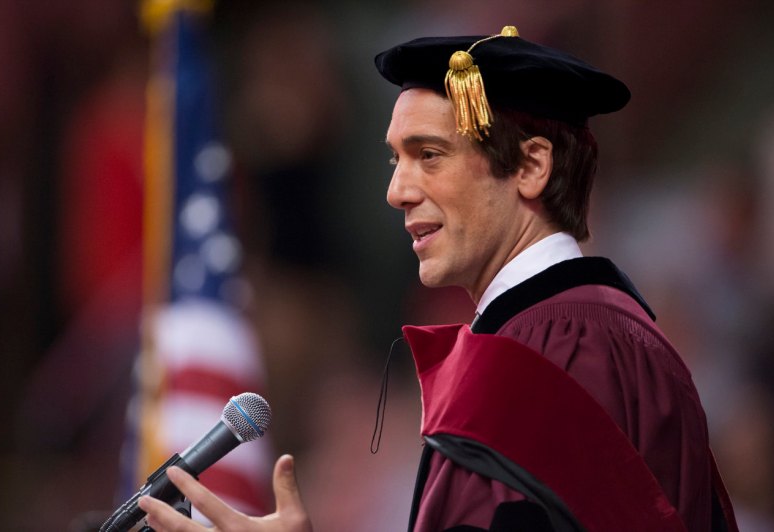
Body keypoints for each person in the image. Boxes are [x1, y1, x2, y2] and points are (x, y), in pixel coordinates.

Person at [138, 26, 738, 531]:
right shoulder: (588, 328)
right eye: (394, 159)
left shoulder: (558, 345)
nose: (397, 191)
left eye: (429, 155)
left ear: (531, 166)